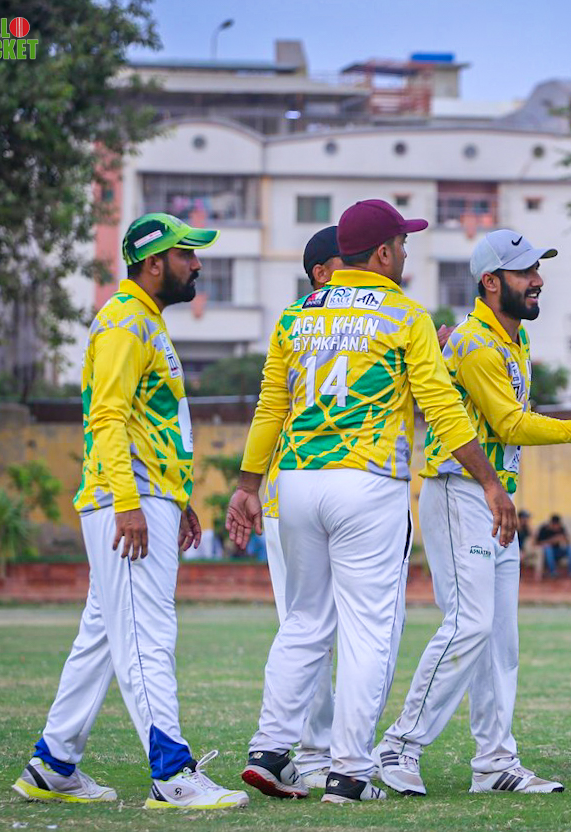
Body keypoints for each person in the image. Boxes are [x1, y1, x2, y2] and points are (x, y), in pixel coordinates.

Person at [226, 199, 518, 804]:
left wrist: (247, 485)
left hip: (297, 481)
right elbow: (442, 409)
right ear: (382, 253)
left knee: (304, 622)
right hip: (367, 482)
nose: (406, 253)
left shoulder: (296, 315)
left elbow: (270, 407)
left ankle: (269, 750)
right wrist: (491, 481)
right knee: (369, 631)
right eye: (402, 245)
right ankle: (351, 772)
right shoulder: (405, 314)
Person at [374, 229, 571, 797]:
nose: (538, 280)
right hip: (459, 492)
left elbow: (507, 421)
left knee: (499, 639)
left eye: (537, 270)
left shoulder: (512, 339)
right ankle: (397, 748)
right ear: (490, 281)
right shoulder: (477, 343)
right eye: (525, 271)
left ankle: (495, 762)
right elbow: (511, 424)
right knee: (470, 624)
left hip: (493, 498)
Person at [12, 213, 249, 809]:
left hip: (147, 496)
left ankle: (52, 765)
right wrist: (129, 503)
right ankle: (173, 775)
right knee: (147, 633)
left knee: (103, 635)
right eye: (187, 254)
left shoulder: (145, 321)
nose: (197, 264)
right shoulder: (124, 322)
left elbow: (149, 423)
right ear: (153, 262)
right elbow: (107, 418)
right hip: (129, 501)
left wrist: (178, 498)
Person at [257, 225, 344, 790]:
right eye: (347, 262)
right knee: (310, 626)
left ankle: (318, 746)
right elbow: (270, 408)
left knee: (313, 625)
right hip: (301, 494)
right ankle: (315, 749)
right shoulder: (307, 325)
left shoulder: (302, 323)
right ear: (321, 273)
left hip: (302, 493)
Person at [536, 513, 571, 579]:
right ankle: (552, 572)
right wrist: (552, 541)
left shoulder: (561, 528)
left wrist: (564, 539)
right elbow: (538, 543)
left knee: (570, 548)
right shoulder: (544, 529)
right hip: (546, 554)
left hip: (557, 551)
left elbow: (568, 541)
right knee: (548, 549)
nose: (556, 526)